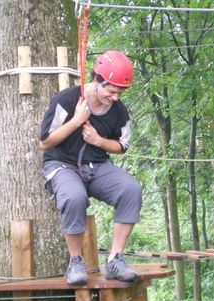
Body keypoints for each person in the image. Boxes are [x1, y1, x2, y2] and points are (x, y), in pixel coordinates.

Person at [39, 50, 142, 286]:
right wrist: (76, 121)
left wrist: (99, 141)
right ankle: (76, 262)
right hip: (61, 164)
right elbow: (44, 142)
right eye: (111, 91)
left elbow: (122, 145)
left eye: (120, 92)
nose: (115, 97)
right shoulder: (66, 100)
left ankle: (116, 259)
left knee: (130, 189)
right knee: (73, 196)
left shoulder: (119, 111)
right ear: (96, 81)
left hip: (97, 165)